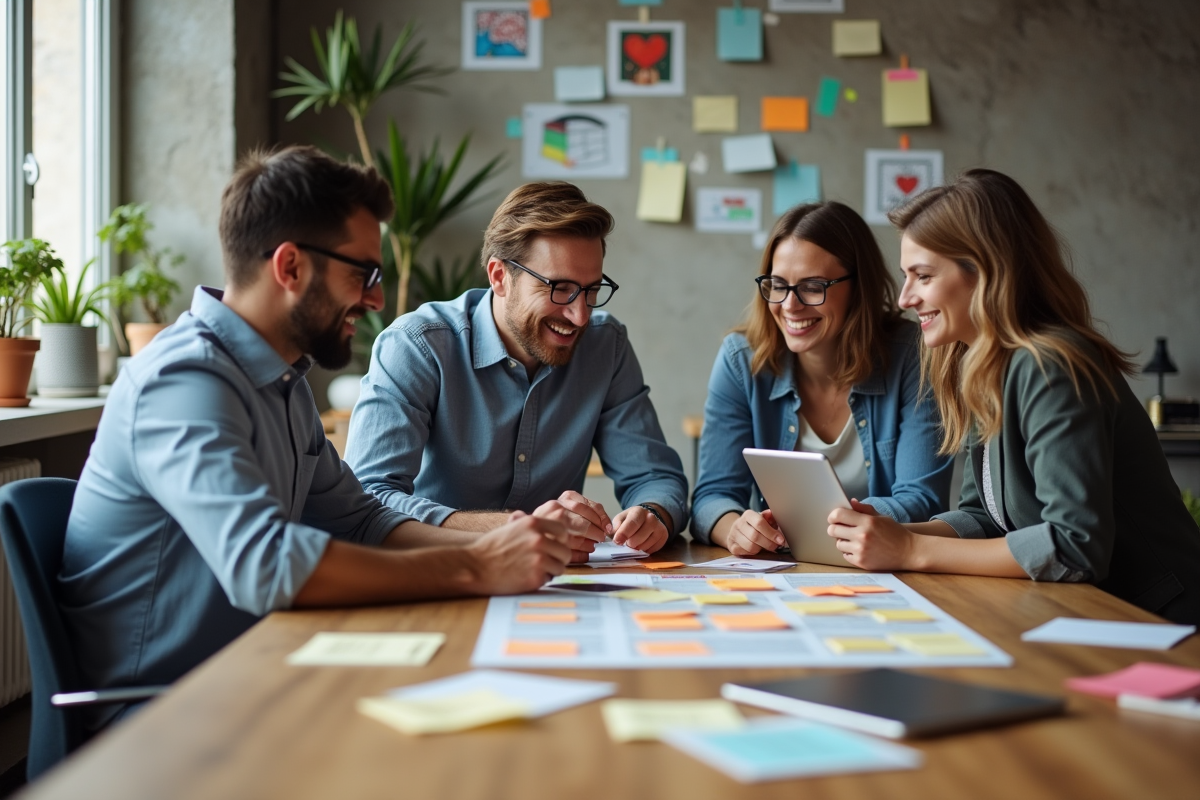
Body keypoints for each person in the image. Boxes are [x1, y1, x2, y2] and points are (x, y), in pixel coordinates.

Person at [60, 146, 574, 731]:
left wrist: (506, 542)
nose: (377, 299)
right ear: (290, 267)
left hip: (254, 676)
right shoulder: (183, 382)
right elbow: (266, 564)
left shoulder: (280, 380)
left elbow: (360, 520)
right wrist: (477, 568)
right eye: (363, 274)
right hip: (159, 718)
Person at [827, 168, 1200, 624]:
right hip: (1087, 616)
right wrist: (891, 533)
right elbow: (981, 517)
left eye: (922, 276)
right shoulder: (983, 362)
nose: (905, 298)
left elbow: (1074, 546)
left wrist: (910, 549)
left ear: (983, 273)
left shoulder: (1050, 366)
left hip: (1161, 625)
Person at [345, 181, 688, 557]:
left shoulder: (606, 345)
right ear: (498, 277)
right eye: (560, 288)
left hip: (557, 587)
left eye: (591, 290)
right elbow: (368, 499)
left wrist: (652, 514)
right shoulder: (417, 346)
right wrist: (516, 529)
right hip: (436, 574)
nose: (580, 315)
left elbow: (655, 476)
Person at [691, 202, 953, 556]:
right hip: (784, 569)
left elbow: (922, 499)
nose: (790, 306)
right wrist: (734, 528)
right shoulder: (742, 360)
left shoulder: (914, 355)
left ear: (859, 287)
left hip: (884, 566)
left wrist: (835, 524)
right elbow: (712, 497)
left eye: (813, 287)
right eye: (778, 285)